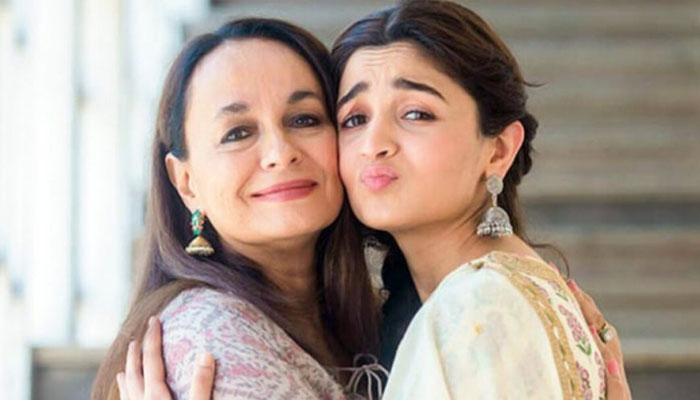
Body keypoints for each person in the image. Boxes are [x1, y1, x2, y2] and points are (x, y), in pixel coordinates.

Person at [111, 2, 633, 399]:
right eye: (355, 118)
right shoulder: (208, 341)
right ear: (185, 181)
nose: (373, 144)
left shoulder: (473, 311)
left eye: (416, 113)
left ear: (498, 150)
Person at [91, 18, 382, 400]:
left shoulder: (370, 306)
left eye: (304, 119)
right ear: (186, 182)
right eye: (237, 133)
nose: (281, 153)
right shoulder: (210, 340)